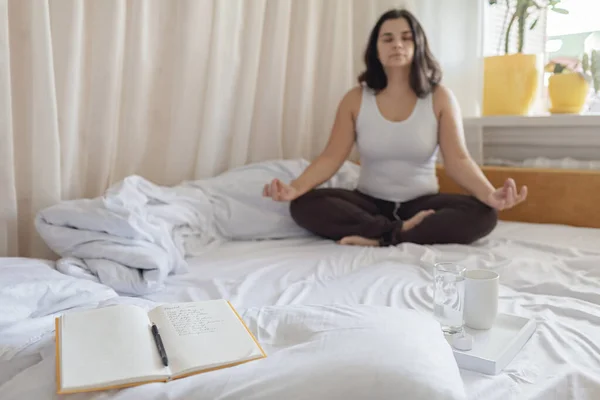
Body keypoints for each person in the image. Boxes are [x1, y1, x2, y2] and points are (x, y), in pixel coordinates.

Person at [263, 8, 527, 247]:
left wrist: (489, 194)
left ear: (418, 45)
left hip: (422, 205)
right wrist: (296, 188)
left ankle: (384, 237)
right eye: (387, 39)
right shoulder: (356, 99)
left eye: (406, 38)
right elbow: (332, 156)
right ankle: (394, 230)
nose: (397, 44)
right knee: (304, 205)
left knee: (483, 215)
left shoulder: (440, 97)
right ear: (376, 49)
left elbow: (458, 159)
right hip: (369, 203)